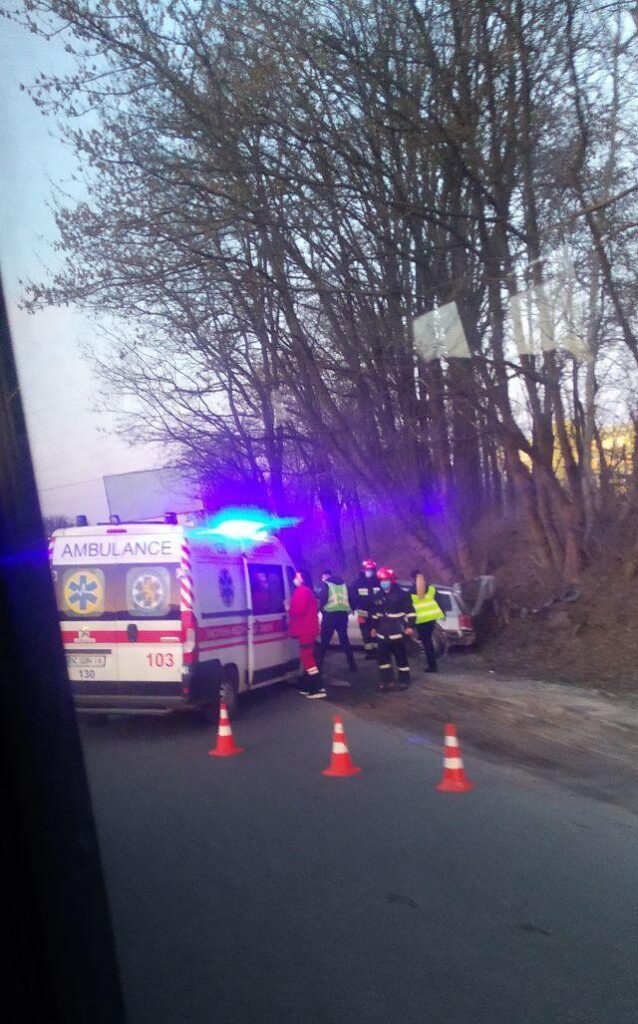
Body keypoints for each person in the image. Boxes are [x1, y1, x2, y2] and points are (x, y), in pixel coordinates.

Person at [370, 567, 416, 691]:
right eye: (381, 580)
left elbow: (411, 612)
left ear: (392, 580)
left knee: (401, 658)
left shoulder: (402, 595)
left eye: (385, 580)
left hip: (397, 633)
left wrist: (410, 626)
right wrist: (374, 627)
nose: (383, 582)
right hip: (382, 633)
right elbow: (376, 614)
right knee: (383, 660)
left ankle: (404, 680)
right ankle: (387, 681)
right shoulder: (378, 595)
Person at [288, 569, 325, 699]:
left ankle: (317, 688)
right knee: (308, 658)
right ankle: (308, 686)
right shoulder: (307, 591)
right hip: (308, 630)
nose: (295, 579)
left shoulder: (302, 591)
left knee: (308, 659)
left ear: (303, 579)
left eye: (297, 576)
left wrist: (288, 608)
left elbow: (298, 610)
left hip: (306, 630)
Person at [317, 569, 357, 672]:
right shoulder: (343, 585)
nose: (323, 579)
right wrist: (351, 608)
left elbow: (322, 600)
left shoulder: (327, 585)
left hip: (329, 616)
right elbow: (352, 598)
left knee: (324, 642)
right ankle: (353, 665)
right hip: (342, 616)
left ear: (327, 577)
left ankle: (318, 666)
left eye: (323, 577)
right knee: (344, 640)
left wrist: (321, 610)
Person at [410, 570, 444, 673]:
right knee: (428, 641)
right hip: (431, 619)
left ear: (412, 579)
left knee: (427, 643)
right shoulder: (432, 589)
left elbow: (409, 605)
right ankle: (432, 664)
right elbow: (440, 601)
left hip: (421, 620)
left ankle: (432, 666)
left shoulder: (411, 591)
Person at [348, 559, 381, 659]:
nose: (369, 571)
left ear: (374, 570)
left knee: (377, 631)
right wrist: (352, 607)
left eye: (371, 569)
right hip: (363, 612)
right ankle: (369, 652)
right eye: (367, 569)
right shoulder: (358, 582)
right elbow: (352, 596)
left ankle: (378, 652)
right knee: (365, 633)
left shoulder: (379, 581)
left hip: (377, 612)